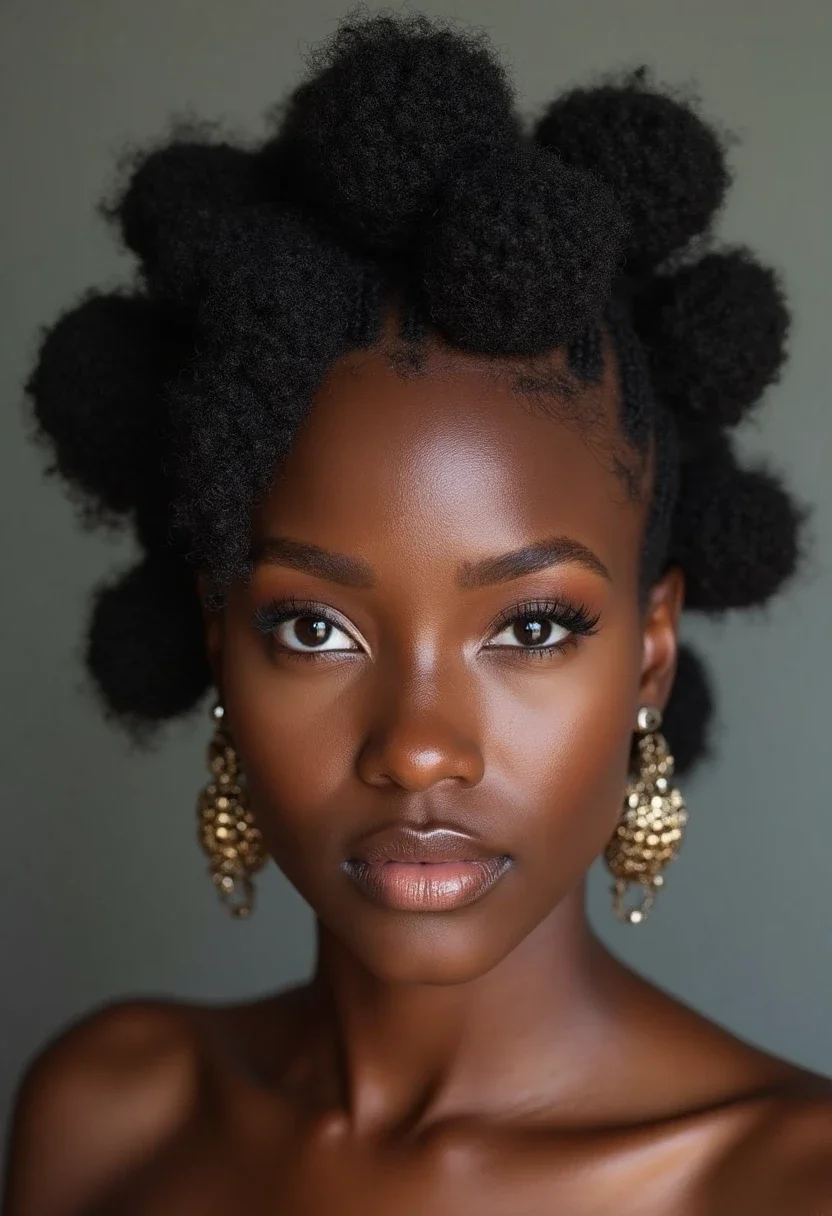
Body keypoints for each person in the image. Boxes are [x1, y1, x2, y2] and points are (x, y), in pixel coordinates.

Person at [4, 10, 830, 1214]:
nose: (417, 748)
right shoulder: (107, 1118)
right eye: (312, 628)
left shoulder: (786, 1183)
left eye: (532, 627)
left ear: (651, 653)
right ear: (216, 637)